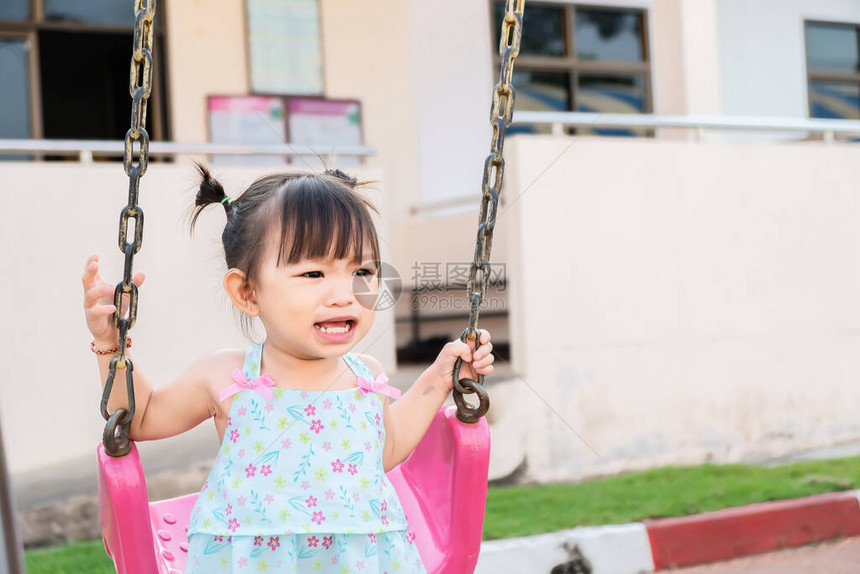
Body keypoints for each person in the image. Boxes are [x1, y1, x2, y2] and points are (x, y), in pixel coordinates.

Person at [82, 166, 495, 573]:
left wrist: (441, 377)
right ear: (247, 292)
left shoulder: (365, 375)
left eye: (362, 272)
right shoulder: (227, 376)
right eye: (313, 273)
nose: (343, 295)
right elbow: (141, 416)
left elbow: (385, 451)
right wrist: (110, 345)